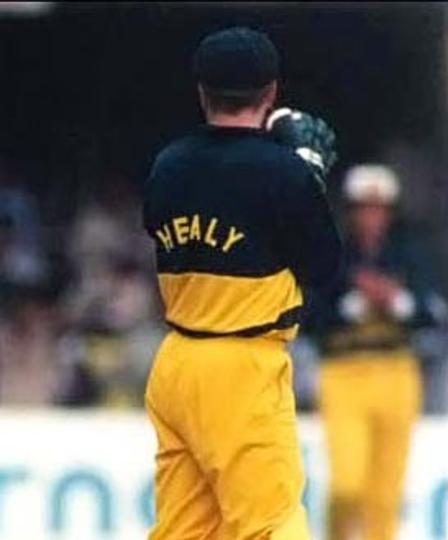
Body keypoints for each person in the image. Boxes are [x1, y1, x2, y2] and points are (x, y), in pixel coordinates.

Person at [142, 27, 342, 539]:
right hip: (242, 364)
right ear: (271, 92)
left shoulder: (168, 165)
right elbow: (323, 266)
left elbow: (199, 206)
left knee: (185, 530)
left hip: (176, 364)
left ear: (201, 92)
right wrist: (309, 172)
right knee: (271, 525)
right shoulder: (282, 173)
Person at [314, 165, 441, 540]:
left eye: (379, 208)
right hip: (344, 371)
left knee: (385, 495)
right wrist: (354, 303)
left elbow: (430, 311)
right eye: (363, 208)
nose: (371, 217)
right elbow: (309, 313)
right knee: (346, 485)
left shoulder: (411, 254)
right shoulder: (333, 255)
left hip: (396, 371)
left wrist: (394, 300)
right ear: (351, 211)